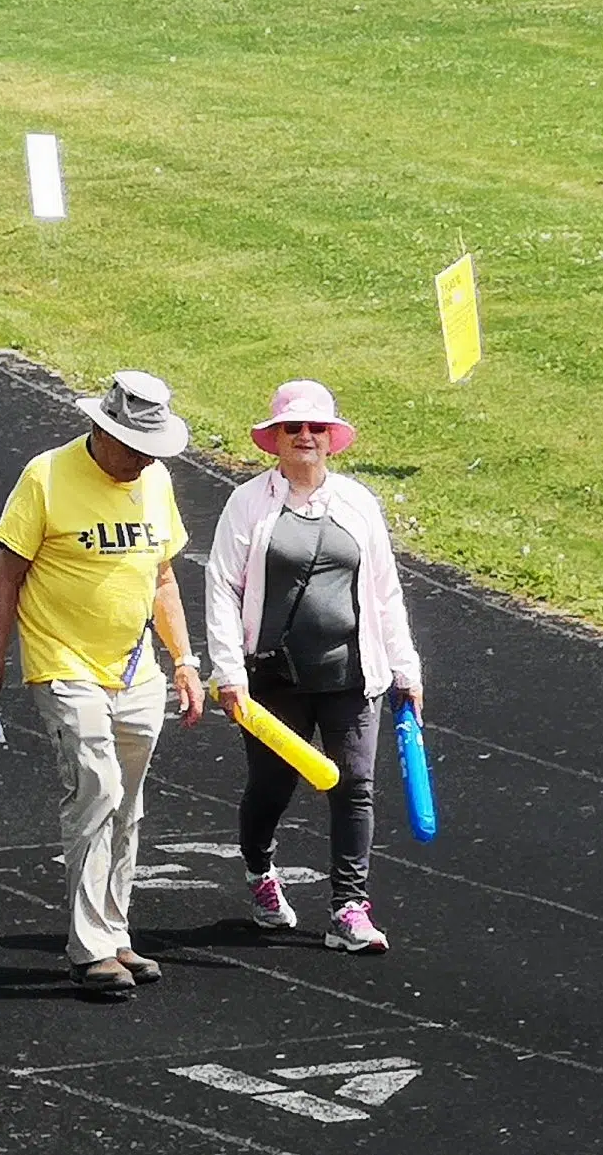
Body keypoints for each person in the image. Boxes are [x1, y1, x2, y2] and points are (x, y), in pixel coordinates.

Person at [0, 371, 207, 995]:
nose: (142, 460)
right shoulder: (46, 476)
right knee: (95, 785)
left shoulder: (155, 479)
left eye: (152, 449)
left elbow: (164, 581)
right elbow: (6, 579)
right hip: (63, 661)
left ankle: (114, 934)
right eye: (133, 446)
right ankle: (90, 947)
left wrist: (183, 661)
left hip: (136, 666)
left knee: (127, 804)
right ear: (101, 429)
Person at [204, 381, 422, 956]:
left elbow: (384, 592)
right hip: (276, 679)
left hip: (352, 674)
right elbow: (223, 586)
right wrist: (228, 671)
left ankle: (349, 908)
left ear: (332, 438)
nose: (305, 437)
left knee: (356, 785)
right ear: (274, 439)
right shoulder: (248, 503)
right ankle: (259, 871)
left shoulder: (359, 504)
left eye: (316, 428)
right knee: (273, 788)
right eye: (294, 428)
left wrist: (406, 668)